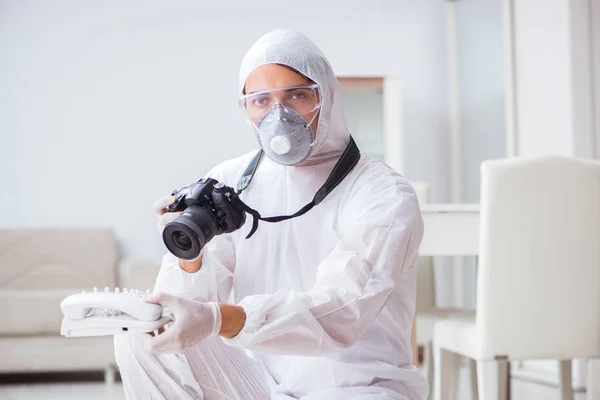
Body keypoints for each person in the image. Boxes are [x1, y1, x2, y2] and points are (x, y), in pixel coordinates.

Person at [115, 28, 427, 400]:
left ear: (325, 96)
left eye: (297, 95)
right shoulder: (229, 182)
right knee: (143, 333)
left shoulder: (382, 194)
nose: (278, 115)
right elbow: (182, 309)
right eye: (261, 100)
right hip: (259, 384)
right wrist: (190, 258)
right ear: (245, 108)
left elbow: (343, 311)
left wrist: (222, 319)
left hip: (356, 386)